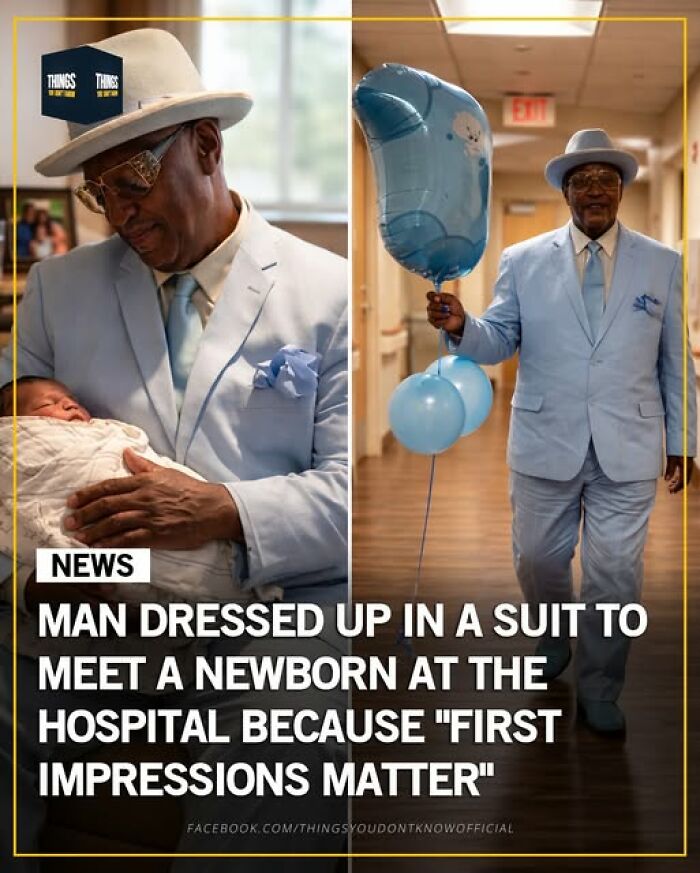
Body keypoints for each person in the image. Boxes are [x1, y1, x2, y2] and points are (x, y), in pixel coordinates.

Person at [0, 27, 347, 868]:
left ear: (205, 144)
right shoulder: (59, 287)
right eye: (99, 192)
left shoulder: (325, 292)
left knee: (272, 757)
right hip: (94, 587)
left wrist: (223, 507)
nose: (120, 214)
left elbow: (349, 495)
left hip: (270, 598)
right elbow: (15, 431)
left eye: (135, 179)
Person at [427, 128, 696, 737]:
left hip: (628, 444)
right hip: (546, 439)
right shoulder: (524, 260)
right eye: (583, 181)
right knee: (538, 560)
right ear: (567, 193)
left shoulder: (663, 263)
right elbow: (499, 338)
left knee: (615, 576)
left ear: (622, 190)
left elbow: (676, 359)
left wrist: (684, 440)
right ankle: (553, 636)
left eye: (606, 180)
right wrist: (464, 324)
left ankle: (601, 688)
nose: (595, 190)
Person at [0, 376, 275, 607]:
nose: (69, 403)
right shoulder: (16, 441)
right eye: (48, 404)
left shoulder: (106, 433)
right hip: (77, 560)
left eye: (70, 399)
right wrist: (23, 583)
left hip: (252, 549)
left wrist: (226, 511)